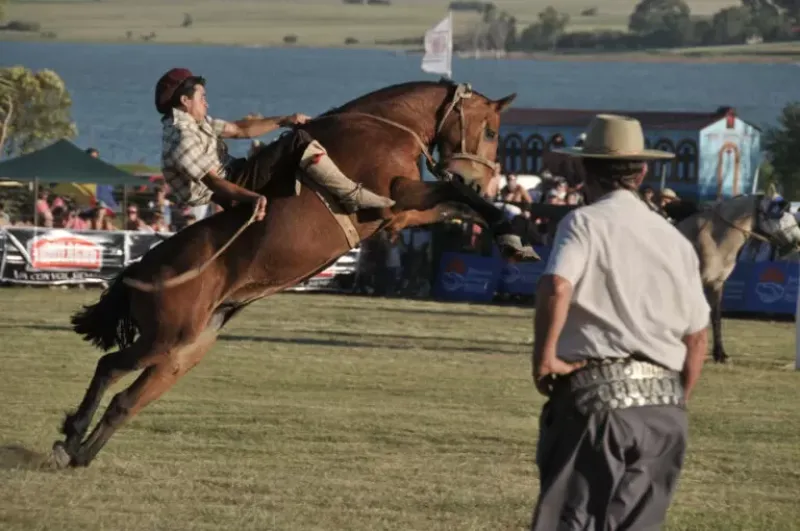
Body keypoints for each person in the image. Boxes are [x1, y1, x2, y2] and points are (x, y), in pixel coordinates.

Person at [529, 114, 710, 530]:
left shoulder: (585, 223)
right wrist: (677, 399)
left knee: (571, 520)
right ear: (642, 170)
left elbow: (556, 285)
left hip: (597, 401)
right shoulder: (673, 238)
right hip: (665, 409)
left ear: (583, 167)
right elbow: (697, 336)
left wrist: (545, 358)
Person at [154, 68, 395, 221]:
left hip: (236, 174)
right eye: (202, 98)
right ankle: (352, 195)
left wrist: (284, 120)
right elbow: (215, 183)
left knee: (289, 138)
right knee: (297, 142)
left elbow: (240, 129)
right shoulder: (182, 138)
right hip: (230, 186)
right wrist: (251, 198)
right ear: (185, 101)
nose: (206, 103)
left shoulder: (196, 123)